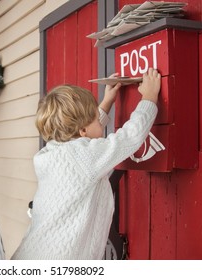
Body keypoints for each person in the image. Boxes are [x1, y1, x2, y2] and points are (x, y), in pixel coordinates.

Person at [11, 68, 161, 260]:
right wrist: (149, 99)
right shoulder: (84, 156)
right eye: (95, 118)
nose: (99, 121)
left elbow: (85, 134)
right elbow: (128, 138)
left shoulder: (50, 153)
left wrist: (107, 102)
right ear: (82, 130)